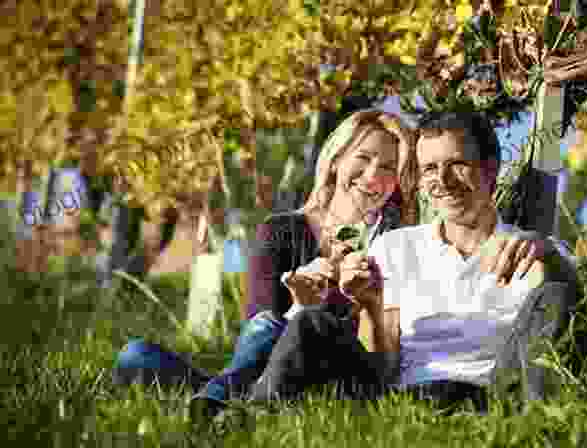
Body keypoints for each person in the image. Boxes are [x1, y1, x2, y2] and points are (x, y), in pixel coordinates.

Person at [247, 111, 579, 412]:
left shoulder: (535, 251)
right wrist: (371, 305)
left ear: (490, 168)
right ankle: (254, 419)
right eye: (430, 169)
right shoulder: (395, 247)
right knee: (311, 322)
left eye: (457, 164)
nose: (443, 180)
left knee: (556, 294)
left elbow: (569, 307)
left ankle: (541, 427)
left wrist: (545, 254)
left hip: (497, 394)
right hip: (407, 397)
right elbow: (382, 364)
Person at [112, 110, 418, 414]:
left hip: (340, 374)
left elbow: (384, 351)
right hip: (268, 373)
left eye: (389, 167)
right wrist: (299, 303)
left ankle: (217, 397)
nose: (374, 175)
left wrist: (351, 302)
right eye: (363, 158)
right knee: (136, 354)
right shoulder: (280, 231)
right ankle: (230, 399)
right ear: (337, 159)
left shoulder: (395, 241)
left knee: (302, 324)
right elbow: (257, 333)